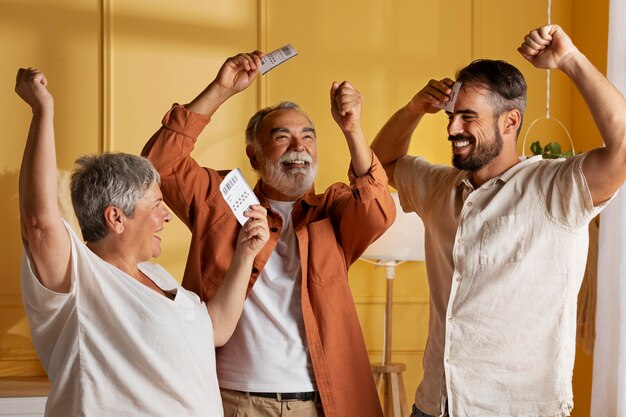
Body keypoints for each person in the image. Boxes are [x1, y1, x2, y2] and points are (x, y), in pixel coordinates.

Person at [370, 24, 626, 417]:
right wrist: (413, 110)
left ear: (510, 122)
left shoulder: (555, 189)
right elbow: (380, 164)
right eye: (451, 116)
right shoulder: (440, 187)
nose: (453, 128)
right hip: (434, 405)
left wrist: (571, 60)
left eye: (468, 117)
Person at [142, 51, 395, 417]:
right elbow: (158, 165)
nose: (299, 147)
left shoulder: (335, 209)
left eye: (308, 137)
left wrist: (352, 128)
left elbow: (377, 210)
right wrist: (221, 89)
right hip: (231, 399)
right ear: (254, 156)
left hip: (320, 401)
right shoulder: (219, 200)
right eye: (282, 137)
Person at [16, 67, 269, 417]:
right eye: (157, 205)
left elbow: (216, 330)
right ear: (116, 217)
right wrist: (42, 110)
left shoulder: (159, 278)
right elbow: (38, 224)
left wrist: (246, 253)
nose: (167, 216)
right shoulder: (81, 279)